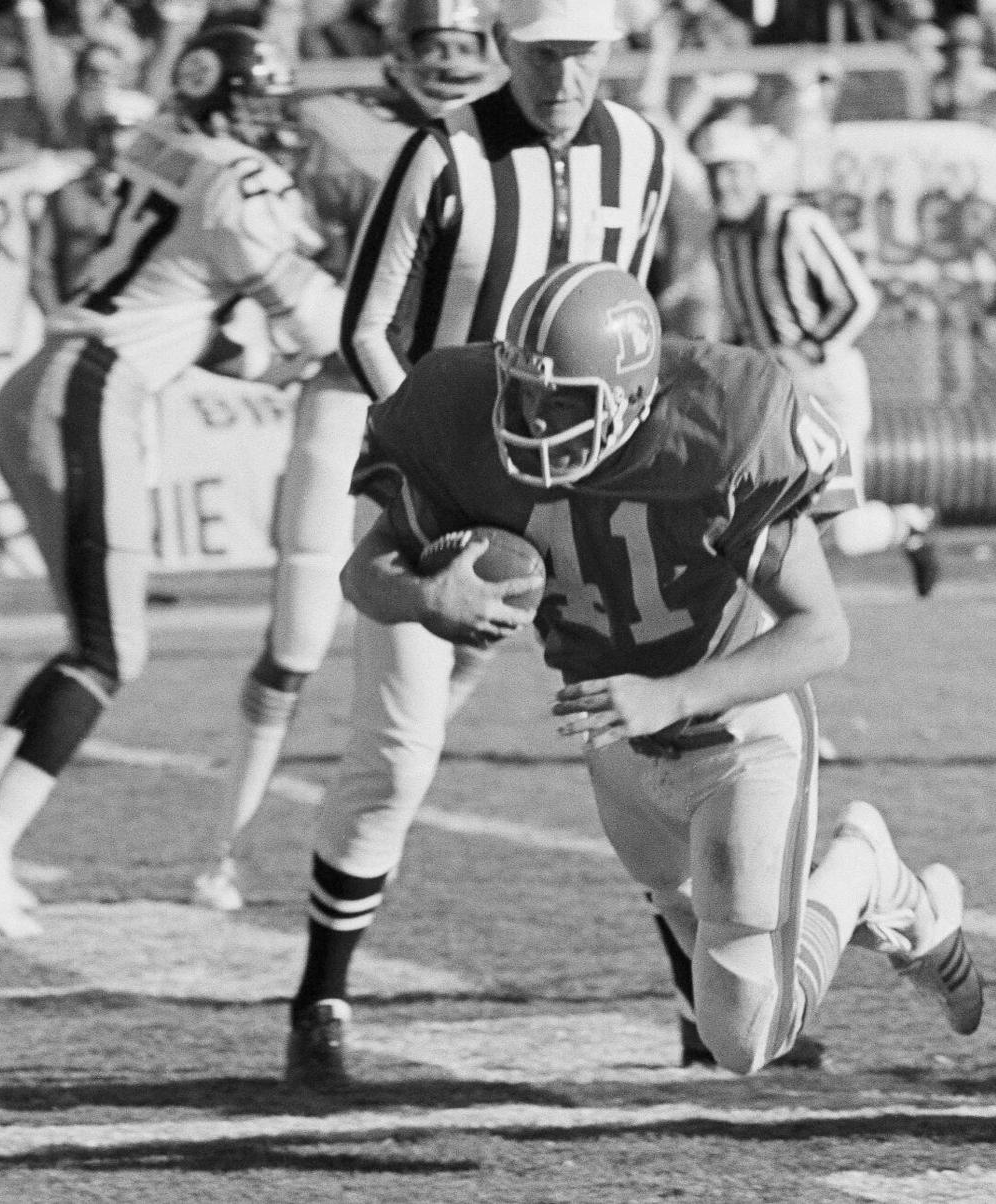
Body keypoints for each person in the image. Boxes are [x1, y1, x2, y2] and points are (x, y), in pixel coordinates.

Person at [327, 261, 985, 1080]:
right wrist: (426, 593)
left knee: (744, 1036)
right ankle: (865, 901)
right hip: (613, 734)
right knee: (692, 915)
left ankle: (862, 870)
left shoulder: (721, 426)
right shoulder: (459, 415)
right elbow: (360, 575)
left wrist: (670, 693)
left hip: (735, 732)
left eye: (562, 400)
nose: (533, 419)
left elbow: (822, 634)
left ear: (635, 397)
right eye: (523, 392)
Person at [284, 0, 755, 1084]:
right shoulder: (442, 152)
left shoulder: (640, 150)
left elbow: (628, 318)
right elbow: (366, 321)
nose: (562, 76)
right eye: (542, 53)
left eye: (581, 52)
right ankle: (320, 1002)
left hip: (587, 494)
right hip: (437, 478)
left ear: (612, 48)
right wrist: (440, 460)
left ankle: (699, 1008)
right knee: (396, 753)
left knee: (651, 747)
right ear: (503, 46)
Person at [0, 25, 341, 938]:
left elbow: (189, 311)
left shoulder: (165, 143)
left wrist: (272, 369)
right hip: (91, 393)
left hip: (50, 381)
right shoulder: (239, 184)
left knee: (90, 640)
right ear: (219, 98)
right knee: (108, 651)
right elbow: (315, 319)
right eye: (253, 101)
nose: (267, 119)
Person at [190, 0, 500, 912]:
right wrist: (271, 355)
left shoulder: (512, 146)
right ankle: (224, 848)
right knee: (297, 640)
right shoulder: (335, 131)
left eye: (463, 45)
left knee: (496, 602)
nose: (448, 62)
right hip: (347, 398)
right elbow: (259, 270)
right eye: (431, 45)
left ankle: (378, 815)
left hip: (459, 414)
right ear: (396, 52)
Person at [695, 119, 942, 599]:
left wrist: (808, 349)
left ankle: (912, 523)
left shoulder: (796, 223)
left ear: (754, 172)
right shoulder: (723, 239)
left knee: (843, 530)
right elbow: (742, 320)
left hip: (828, 388)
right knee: (751, 507)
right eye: (716, 173)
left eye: (734, 172)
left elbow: (858, 298)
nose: (726, 184)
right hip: (777, 396)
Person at [29, 86, 157, 316]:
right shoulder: (69, 194)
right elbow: (40, 264)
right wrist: (56, 316)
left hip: (135, 321)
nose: (115, 142)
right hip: (77, 315)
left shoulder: (159, 200)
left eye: (125, 132)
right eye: (106, 132)